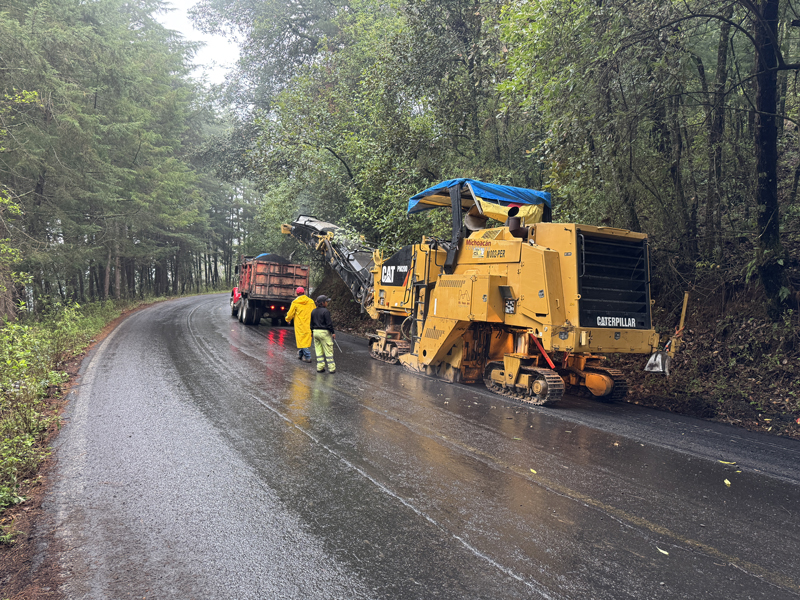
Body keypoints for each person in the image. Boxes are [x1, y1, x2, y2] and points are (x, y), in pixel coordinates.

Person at [285, 286, 314, 362]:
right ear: (304, 292)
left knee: (302, 341)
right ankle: (301, 354)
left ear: (297, 294)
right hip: (309, 324)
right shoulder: (311, 301)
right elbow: (314, 312)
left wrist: (288, 319)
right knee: (305, 340)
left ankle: (308, 356)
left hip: (300, 325)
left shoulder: (295, 302)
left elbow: (290, 313)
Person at [310, 295, 336, 374]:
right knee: (328, 350)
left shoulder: (313, 311)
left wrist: (312, 332)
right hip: (324, 333)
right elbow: (329, 323)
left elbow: (311, 323)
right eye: (326, 301)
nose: (327, 303)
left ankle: (320, 367)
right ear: (322, 303)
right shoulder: (325, 311)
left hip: (315, 332)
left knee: (318, 350)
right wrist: (333, 332)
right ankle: (331, 368)